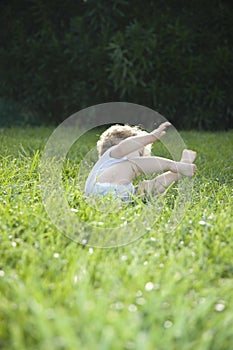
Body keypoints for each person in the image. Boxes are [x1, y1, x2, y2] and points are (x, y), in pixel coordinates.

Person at [85, 122, 197, 201]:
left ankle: (179, 170)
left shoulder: (125, 185)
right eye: (138, 152)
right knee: (131, 165)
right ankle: (174, 166)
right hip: (97, 190)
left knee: (148, 189)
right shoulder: (111, 156)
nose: (141, 159)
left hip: (120, 198)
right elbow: (124, 147)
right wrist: (151, 137)